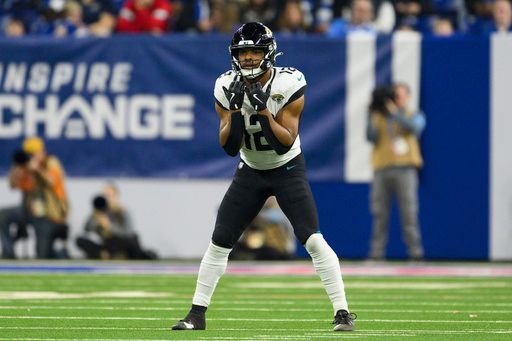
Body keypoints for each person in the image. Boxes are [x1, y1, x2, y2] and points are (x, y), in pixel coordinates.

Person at [172, 22, 355, 332]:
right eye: (243, 53)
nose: (248, 58)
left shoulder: (289, 82)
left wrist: (262, 112)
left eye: (255, 51)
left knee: (311, 237)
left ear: (269, 53)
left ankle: (342, 312)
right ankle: (196, 314)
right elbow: (229, 146)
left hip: (287, 168)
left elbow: (284, 140)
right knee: (220, 240)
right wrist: (234, 112)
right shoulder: (224, 85)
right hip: (250, 169)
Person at [366, 83, 425, 261]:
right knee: (379, 213)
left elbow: (415, 129)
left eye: (398, 96)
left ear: (407, 97)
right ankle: (376, 254)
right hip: (382, 169)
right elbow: (370, 137)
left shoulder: (413, 114)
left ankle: (415, 253)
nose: (394, 100)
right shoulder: (378, 115)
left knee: (409, 212)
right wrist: (371, 113)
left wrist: (395, 113)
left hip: (405, 169)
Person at [0, 137, 69, 259]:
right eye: (29, 154)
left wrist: (37, 168)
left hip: (50, 214)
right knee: (3, 215)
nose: (31, 157)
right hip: (30, 210)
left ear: (42, 152)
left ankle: (58, 254)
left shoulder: (51, 162)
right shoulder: (26, 167)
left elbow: (52, 182)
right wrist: (18, 169)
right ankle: (8, 252)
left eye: (33, 154)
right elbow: (13, 185)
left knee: (42, 255)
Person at [76, 183, 156, 259]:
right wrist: (95, 216)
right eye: (105, 195)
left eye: (109, 195)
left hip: (122, 242)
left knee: (132, 239)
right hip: (108, 245)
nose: (107, 198)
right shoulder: (99, 212)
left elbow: (128, 232)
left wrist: (110, 226)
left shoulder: (123, 211)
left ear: (115, 196)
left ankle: (116, 255)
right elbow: (86, 229)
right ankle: (104, 254)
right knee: (80, 240)